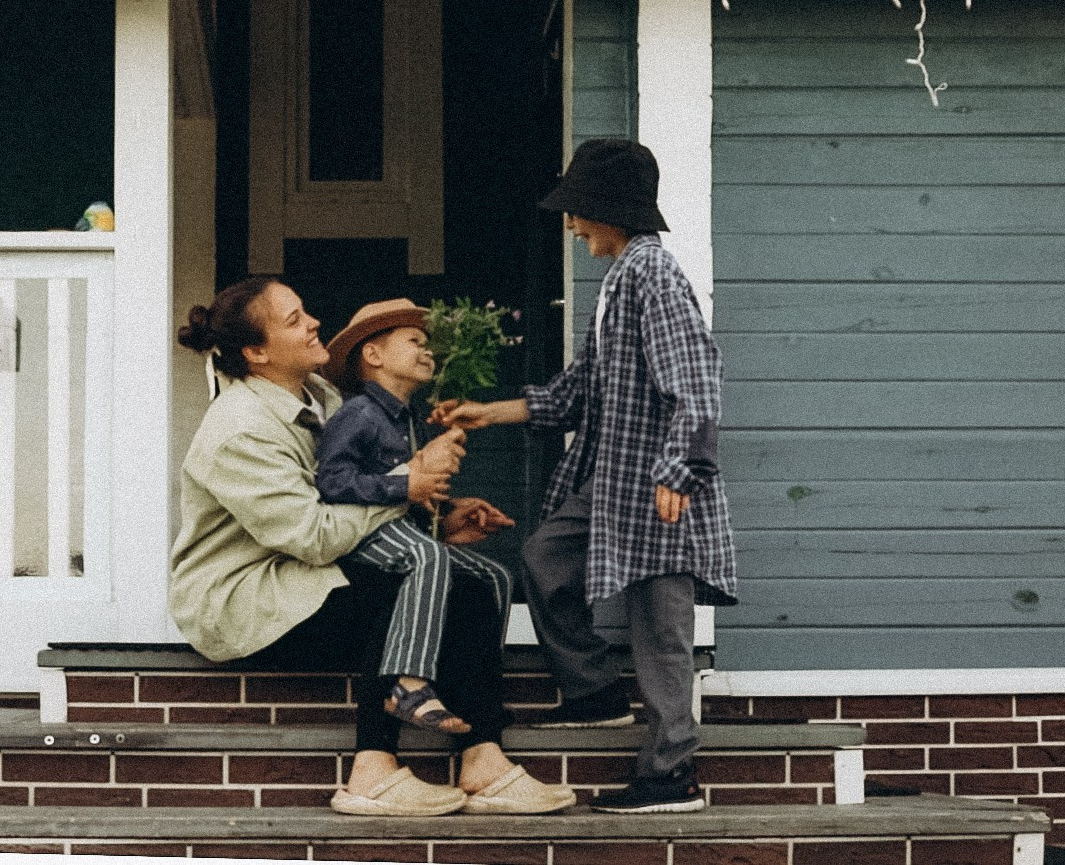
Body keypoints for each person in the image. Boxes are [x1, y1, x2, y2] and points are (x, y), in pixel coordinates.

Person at [173, 277, 575, 817]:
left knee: (473, 586)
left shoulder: (323, 398)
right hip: (249, 598)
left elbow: (359, 498)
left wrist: (434, 518)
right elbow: (314, 536)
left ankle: (483, 759)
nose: (314, 322)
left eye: (305, 310)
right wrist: (408, 483)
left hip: (307, 571)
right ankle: (371, 772)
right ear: (256, 353)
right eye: (294, 320)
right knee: (395, 587)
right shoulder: (238, 429)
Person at [440, 138, 738, 815]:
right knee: (545, 558)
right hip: (611, 484)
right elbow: (576, 393)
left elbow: (696, 381)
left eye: (577, 211)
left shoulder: (653, 274)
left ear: (610, 209)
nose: (571, 225)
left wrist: (679, 471)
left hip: (659, 485)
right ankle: (594, 693)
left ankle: (670, 774)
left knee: (660, 632)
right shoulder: (618, 281)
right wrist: (490, 412)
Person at [315, 298, 517, 737]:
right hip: (363, 533)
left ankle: (476, 690)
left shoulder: (413, 421)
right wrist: (405, 486)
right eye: (414, 341)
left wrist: (449, 509)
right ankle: (408, 686)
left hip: (404, 531)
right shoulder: (358, 414)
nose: (427, 351)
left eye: (428, 344)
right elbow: (331, 482)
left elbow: (419, 491)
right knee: (429, 557)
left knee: (494, 577)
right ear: (374, 355)